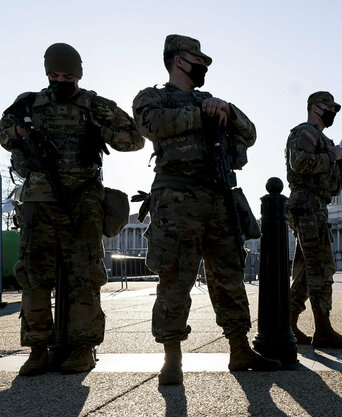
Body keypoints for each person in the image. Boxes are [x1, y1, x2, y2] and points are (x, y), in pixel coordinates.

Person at [133, 34, 280, 385]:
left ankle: (239, 347)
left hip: (218, 199)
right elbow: (149, 125)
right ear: (178, 60)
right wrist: (198, 112)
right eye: (198, 60)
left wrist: (226, 109)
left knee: (229, 276)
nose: (204, 66)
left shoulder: (213, 101)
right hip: (176, 200)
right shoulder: (153, 98)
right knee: (174, 279)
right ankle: (172, 356)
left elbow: (251, 132)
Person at [0, 43, 144, 375]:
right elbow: (4, 132)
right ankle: (37, 349)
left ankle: (83, 347)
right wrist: (21, 131)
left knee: (85, 275)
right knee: (34, 277)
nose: (59, 80)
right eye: (53, 75)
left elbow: (134, 139)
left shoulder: (94, 104)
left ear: (78, 73)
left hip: (83, 200)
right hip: (39, 201)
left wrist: (100, 129)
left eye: (66, 75)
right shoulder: (29, 103)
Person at [286, 91, 342, 349]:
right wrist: (332, 157)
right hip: (306, 205)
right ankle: (323, 329)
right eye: (329, 107)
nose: (333, 112)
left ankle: (289, 324)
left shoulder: (324, 139)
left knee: (305, 272)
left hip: (316, 206)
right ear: (315, 107)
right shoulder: (306, 133)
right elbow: (299, 163)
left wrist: (340, 162)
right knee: (321, 268)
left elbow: (335, 186)